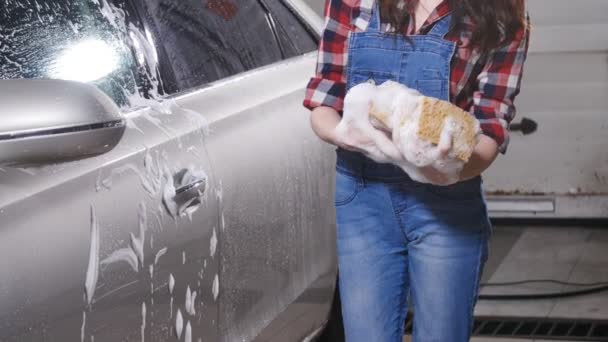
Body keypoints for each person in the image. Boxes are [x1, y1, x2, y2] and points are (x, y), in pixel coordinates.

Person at [303, 0, 530, 341]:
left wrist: (450, 170)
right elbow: (325, 97)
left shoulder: (501, 14)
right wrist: (341, 133)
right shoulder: (354, 3)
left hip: (446, 204)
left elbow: (490, 128)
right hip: (363, 201)